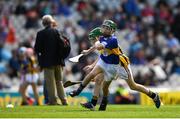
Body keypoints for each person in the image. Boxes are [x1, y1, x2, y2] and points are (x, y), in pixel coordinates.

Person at [70, 20, 161, 111]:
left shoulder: (112, 40)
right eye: (104, 27)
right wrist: (88, 52)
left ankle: (154, 95)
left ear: (112, 31)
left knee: (132, 86)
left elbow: (99, 47)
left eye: (107, 28)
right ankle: (84, 96)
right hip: (106, 62)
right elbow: (101, 52)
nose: (105, 29)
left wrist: (96, 41)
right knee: (94, 76)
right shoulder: (102, 37)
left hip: (118, 65)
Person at [34, 15, 67, 105]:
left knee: (50, 82)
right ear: (51, 22)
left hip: (47, 63)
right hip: (58, 62)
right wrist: (62, 59)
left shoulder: (40, 33)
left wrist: (40, 63)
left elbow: (37, 49)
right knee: (59, 81)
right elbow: (63, 46)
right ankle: (64, 100)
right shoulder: (57, 31)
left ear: (43, 23)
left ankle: (53, 101)